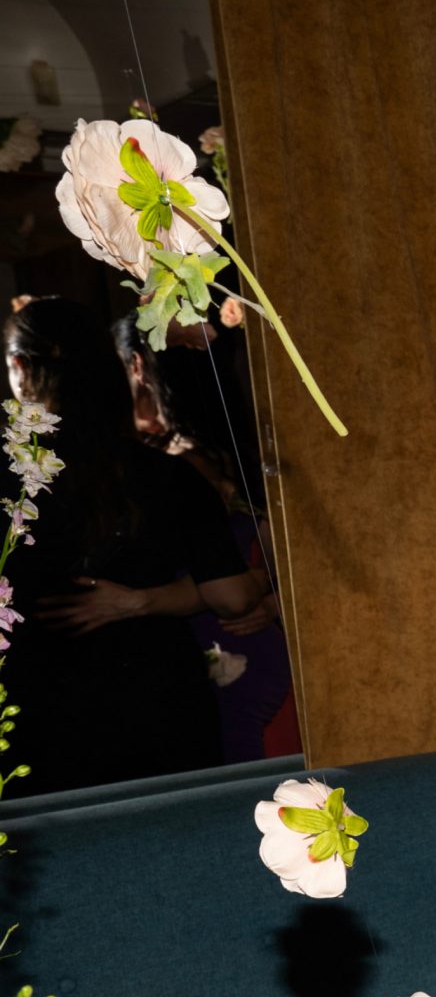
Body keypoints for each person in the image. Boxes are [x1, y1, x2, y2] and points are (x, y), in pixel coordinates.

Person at [2, 297, 263, 796]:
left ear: (19, 366)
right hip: (159, 706)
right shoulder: (168, 473)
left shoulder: (11, 476)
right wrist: (142, 601)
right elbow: (233, 598)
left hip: (38, 714)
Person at [112, 312, 293, 765]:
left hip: (220, 645)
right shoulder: (228, 452)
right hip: (257, 644)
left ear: (136, 366)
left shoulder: (171, 466)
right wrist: (272, 595)